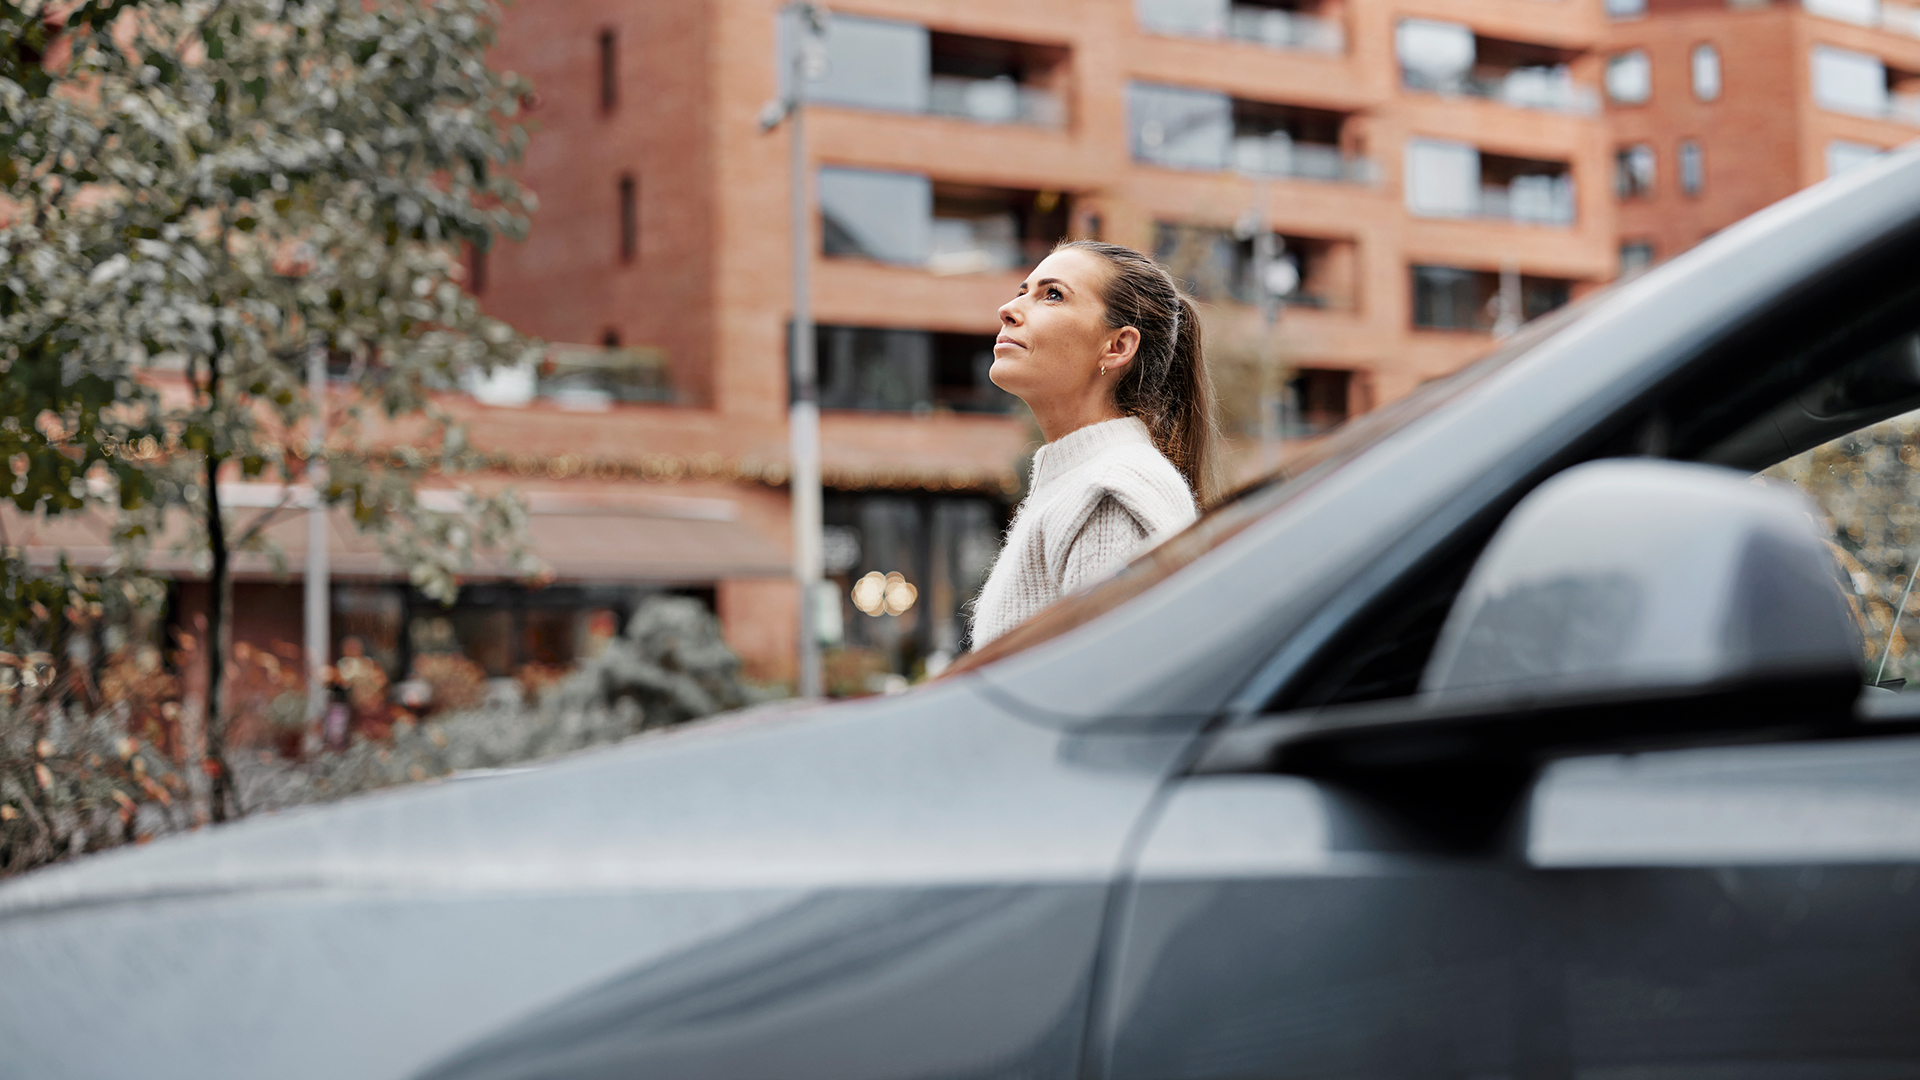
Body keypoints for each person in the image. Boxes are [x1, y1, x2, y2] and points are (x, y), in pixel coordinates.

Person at [967, 240, 1216, 648]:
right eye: (1022, 292)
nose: (1008, 310)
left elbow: (1110, 682)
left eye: (1052, 295)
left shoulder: (1108, 495)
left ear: (1118, 346)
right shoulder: (1081, 482)